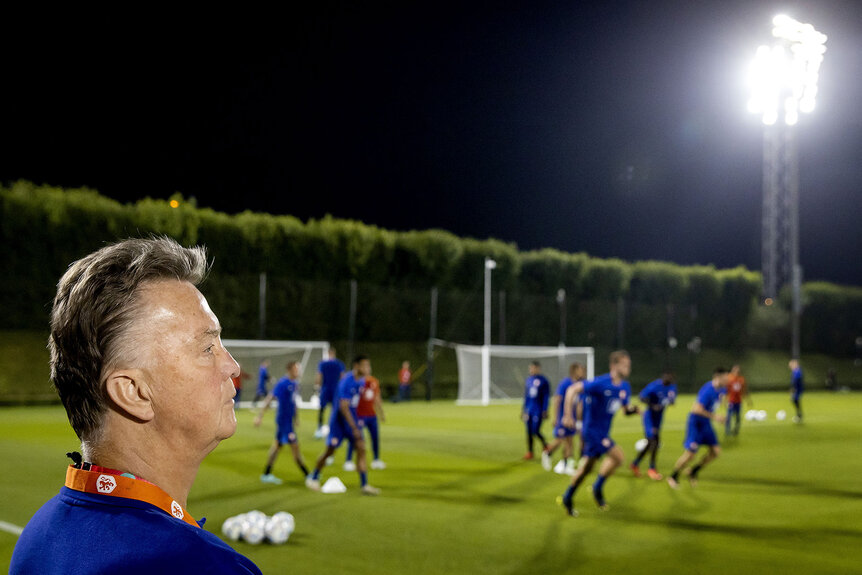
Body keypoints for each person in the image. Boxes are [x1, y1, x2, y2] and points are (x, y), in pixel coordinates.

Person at [10, 237, 261, 574]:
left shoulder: (38, 535)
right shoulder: (197, 565)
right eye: (207, 348)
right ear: (133, 392)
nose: (231, 366)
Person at [559, 350, 638, 517]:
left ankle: (568, 496)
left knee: (586, 469)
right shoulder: (601, 383)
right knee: (618, 457)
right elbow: (572, 390)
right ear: (614, 366)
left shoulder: (625, 387)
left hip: (602, 432)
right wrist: (567, 415)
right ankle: (597, 487)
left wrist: (634, 410)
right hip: (592, 432)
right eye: (625, 365)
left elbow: (625, 410)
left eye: (629, 365)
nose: (628, 368)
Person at [306, 355, 380, 495]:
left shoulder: (362, 381)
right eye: (365, 365)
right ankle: (314, 477)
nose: (367, 368)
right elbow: (343, 407)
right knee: (330, 450)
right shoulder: (347, 381)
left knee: (361, 448)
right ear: (356, 366)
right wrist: (354, 427)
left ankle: (365, 485)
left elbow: (356, 404)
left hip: (352, 421)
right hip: (338, 423)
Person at [667, 367, 729, 489]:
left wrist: (723, 410)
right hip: (695, 423)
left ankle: (693, 471)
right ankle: (673, 476)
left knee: (716, 452)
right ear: (717, 377)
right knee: (690, 454)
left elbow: (720, 401)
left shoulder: (722, 390)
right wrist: (715, 417)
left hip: (706, 423)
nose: (727, 379)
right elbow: (696, 409)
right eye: (725, 377)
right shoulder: (707, 390)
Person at [254, 361, 311, 484]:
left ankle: (266, 474)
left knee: (277, 447)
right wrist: (259, 416)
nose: (299, 371)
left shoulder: (295, 384)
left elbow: (294, 402)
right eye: (297, 369)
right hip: (283, 422)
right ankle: (308, 475)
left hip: (289, 422)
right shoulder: (283, 383)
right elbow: (270, 398)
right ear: (290, 370)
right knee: (295, 447)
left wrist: (296, 418)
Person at [630, 370, 677, 480]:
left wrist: (671, 401)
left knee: (650, 443)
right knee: (654, 441)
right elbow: (641, 397)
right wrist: (652, 405)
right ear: (663, 377)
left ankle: (635, 464)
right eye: (667, 377)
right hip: (649, 417)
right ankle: (652, 469)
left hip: (658, 418)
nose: (669, 380)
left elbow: (672, 400)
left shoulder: (672, 387)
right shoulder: (655, 386)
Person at [541, 362, 586, 475]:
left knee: (569, 442)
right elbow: (557, 399)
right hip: (563, 418)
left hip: (573, 419)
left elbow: (579, 404)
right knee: (561, 440)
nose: (583, 372)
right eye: (581, 369)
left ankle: (566, 465)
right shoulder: (565, 383)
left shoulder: (580, 384)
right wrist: (555, 417)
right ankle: (548, 453)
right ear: (575, 370)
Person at [344, 369, 386, 471]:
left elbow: (377, 397)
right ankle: (348, 461)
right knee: (356, 437)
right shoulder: (358, 382)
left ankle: (376, 460)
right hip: (359, 415)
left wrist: (381, 412)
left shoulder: (374, 381)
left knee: (375, 438)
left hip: (371, 415)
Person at [521, 361, 550, 460]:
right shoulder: (529, 380)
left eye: (533, 368)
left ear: (538, 368)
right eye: (530, 368)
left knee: (535, 430)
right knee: (528, 432)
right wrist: (523, 410)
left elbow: (546, 397)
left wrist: (545, 410)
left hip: (538, 410)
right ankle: (530, 452)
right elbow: (526, 396)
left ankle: (546, 445)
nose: (531, 370)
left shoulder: (544, 381)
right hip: (529, 409)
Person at [314, 347, 346, 439]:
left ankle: (319, 428)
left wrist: (317, 387)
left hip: (325, 389)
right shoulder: (339, 364)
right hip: (335, 390)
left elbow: (319, 376)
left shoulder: (323, 363)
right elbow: (342, 377)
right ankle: (335, 429)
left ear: (328, 353)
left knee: (322, 409)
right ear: (334, 353)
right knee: (335, 410)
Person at [725, 364, 750, 436]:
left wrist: (748, 400)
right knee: (729, 416)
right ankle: (727, 431)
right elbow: (726, 390)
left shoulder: (741, 379)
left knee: (738, 417)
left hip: (738, 401)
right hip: (731, 401)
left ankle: (736, 430)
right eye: (735, 369)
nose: (737, 371)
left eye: (738, 370)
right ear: (733, 370)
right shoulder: (729, 378)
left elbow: (744, 390)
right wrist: (724, 400)